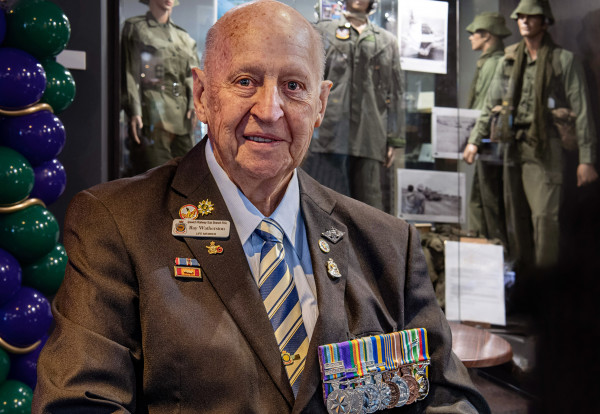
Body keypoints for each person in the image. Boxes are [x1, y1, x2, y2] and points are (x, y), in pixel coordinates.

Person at [33, 1, 489, 412]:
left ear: (320, 104)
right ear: (201, 95)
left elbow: (449, 398)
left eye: (293, 85)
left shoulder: (389, 244)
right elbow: (79, 404)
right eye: (245, 81)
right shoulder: (116, 224)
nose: (269, 110)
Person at [466, 0, 597, 268]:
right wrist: (474, 141)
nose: (524, 21)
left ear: (545, 21)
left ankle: (545, 282)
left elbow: (582, 110)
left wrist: (586, 159)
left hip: (546, 148)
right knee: (516, 220)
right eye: (520, 17)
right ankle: (524, 280)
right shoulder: (510, 59)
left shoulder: (563, 60)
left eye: (531, 16)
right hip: (513, 148)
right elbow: (491, 105)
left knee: (545, 220)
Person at [303, 0, 405, 212]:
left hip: (370, 133)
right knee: (323, 203)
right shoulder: (323, 31)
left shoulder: (386, 42)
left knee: (368, 207)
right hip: (327, 131)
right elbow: (309, 81)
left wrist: (394, 139)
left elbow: (395, 92)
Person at [121, 0, 200, 175]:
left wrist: (193, 104)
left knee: (188, 175)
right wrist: (134, 111)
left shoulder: (183, 37)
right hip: (154, 112)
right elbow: (130, 73)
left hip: (183, 117)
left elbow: (192, 76)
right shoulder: (137, 28)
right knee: (157, 176)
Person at [462, 12, 511, 247]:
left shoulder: (494, 63)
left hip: (489, 143)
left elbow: (486, 107)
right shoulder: (489, 62)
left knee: (489, 200)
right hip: (485, 140)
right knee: (481, 199)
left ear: (487, 35)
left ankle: (495, 249)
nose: (470, 37)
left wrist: (475, 139)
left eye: (475, 33)